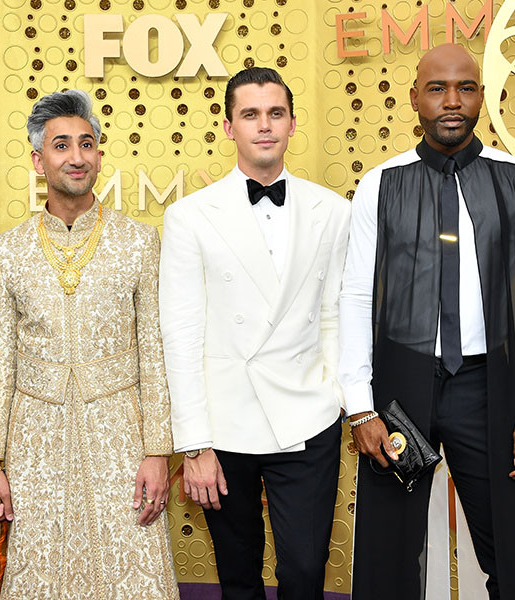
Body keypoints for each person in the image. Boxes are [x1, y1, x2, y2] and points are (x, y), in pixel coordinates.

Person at [339, 44, 515, 600]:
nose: (452, 101)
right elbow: (353, 297)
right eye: (437, 88)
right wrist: (360, 405)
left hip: (489, 389)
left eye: (465, 88)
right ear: (415, 98)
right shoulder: (381, 185)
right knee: (388, 561)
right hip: (399, 392)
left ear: (481, 98)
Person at [0, 89, 178, 599]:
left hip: (121, 436)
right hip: (35, 444)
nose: (76, 156)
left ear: (99, 155)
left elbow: (155, 352)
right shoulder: (9, 250)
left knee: (133, 574)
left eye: (86, 144)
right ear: (38, 160)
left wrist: (158, 452)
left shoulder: (139, 241)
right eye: (61, 145)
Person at [160, 67, 351, 599]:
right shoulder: (189, 216)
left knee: (305, 573)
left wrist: (335, 394)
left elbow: (337, 312)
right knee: (238, 576)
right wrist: (193, 443)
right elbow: (180, 333)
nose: (263, 126)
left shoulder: (334, 211)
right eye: (250, 114)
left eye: (275, 113)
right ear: (228, 128)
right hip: (225, 427)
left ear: (293, 123)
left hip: (307, 417)